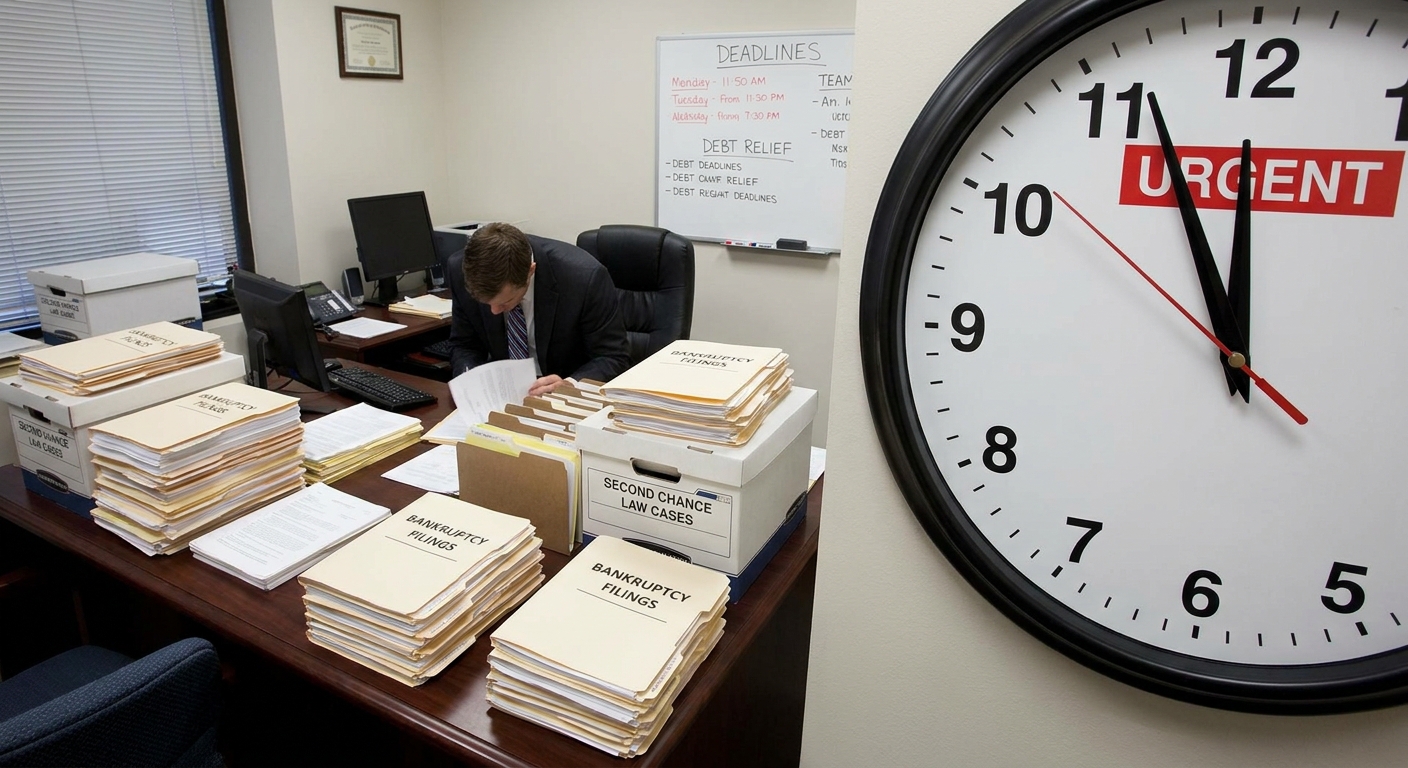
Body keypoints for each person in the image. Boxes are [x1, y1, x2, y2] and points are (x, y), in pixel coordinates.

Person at [445, 222, 630, 395]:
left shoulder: (584, 278)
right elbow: (464, 344)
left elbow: (613, 357)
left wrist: (571, 385)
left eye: (505, 302)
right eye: (486, 303)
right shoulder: (459, 269)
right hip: (503, 395)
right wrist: (469, 380)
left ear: (530, 271)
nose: (494, 311)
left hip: (562, 394)